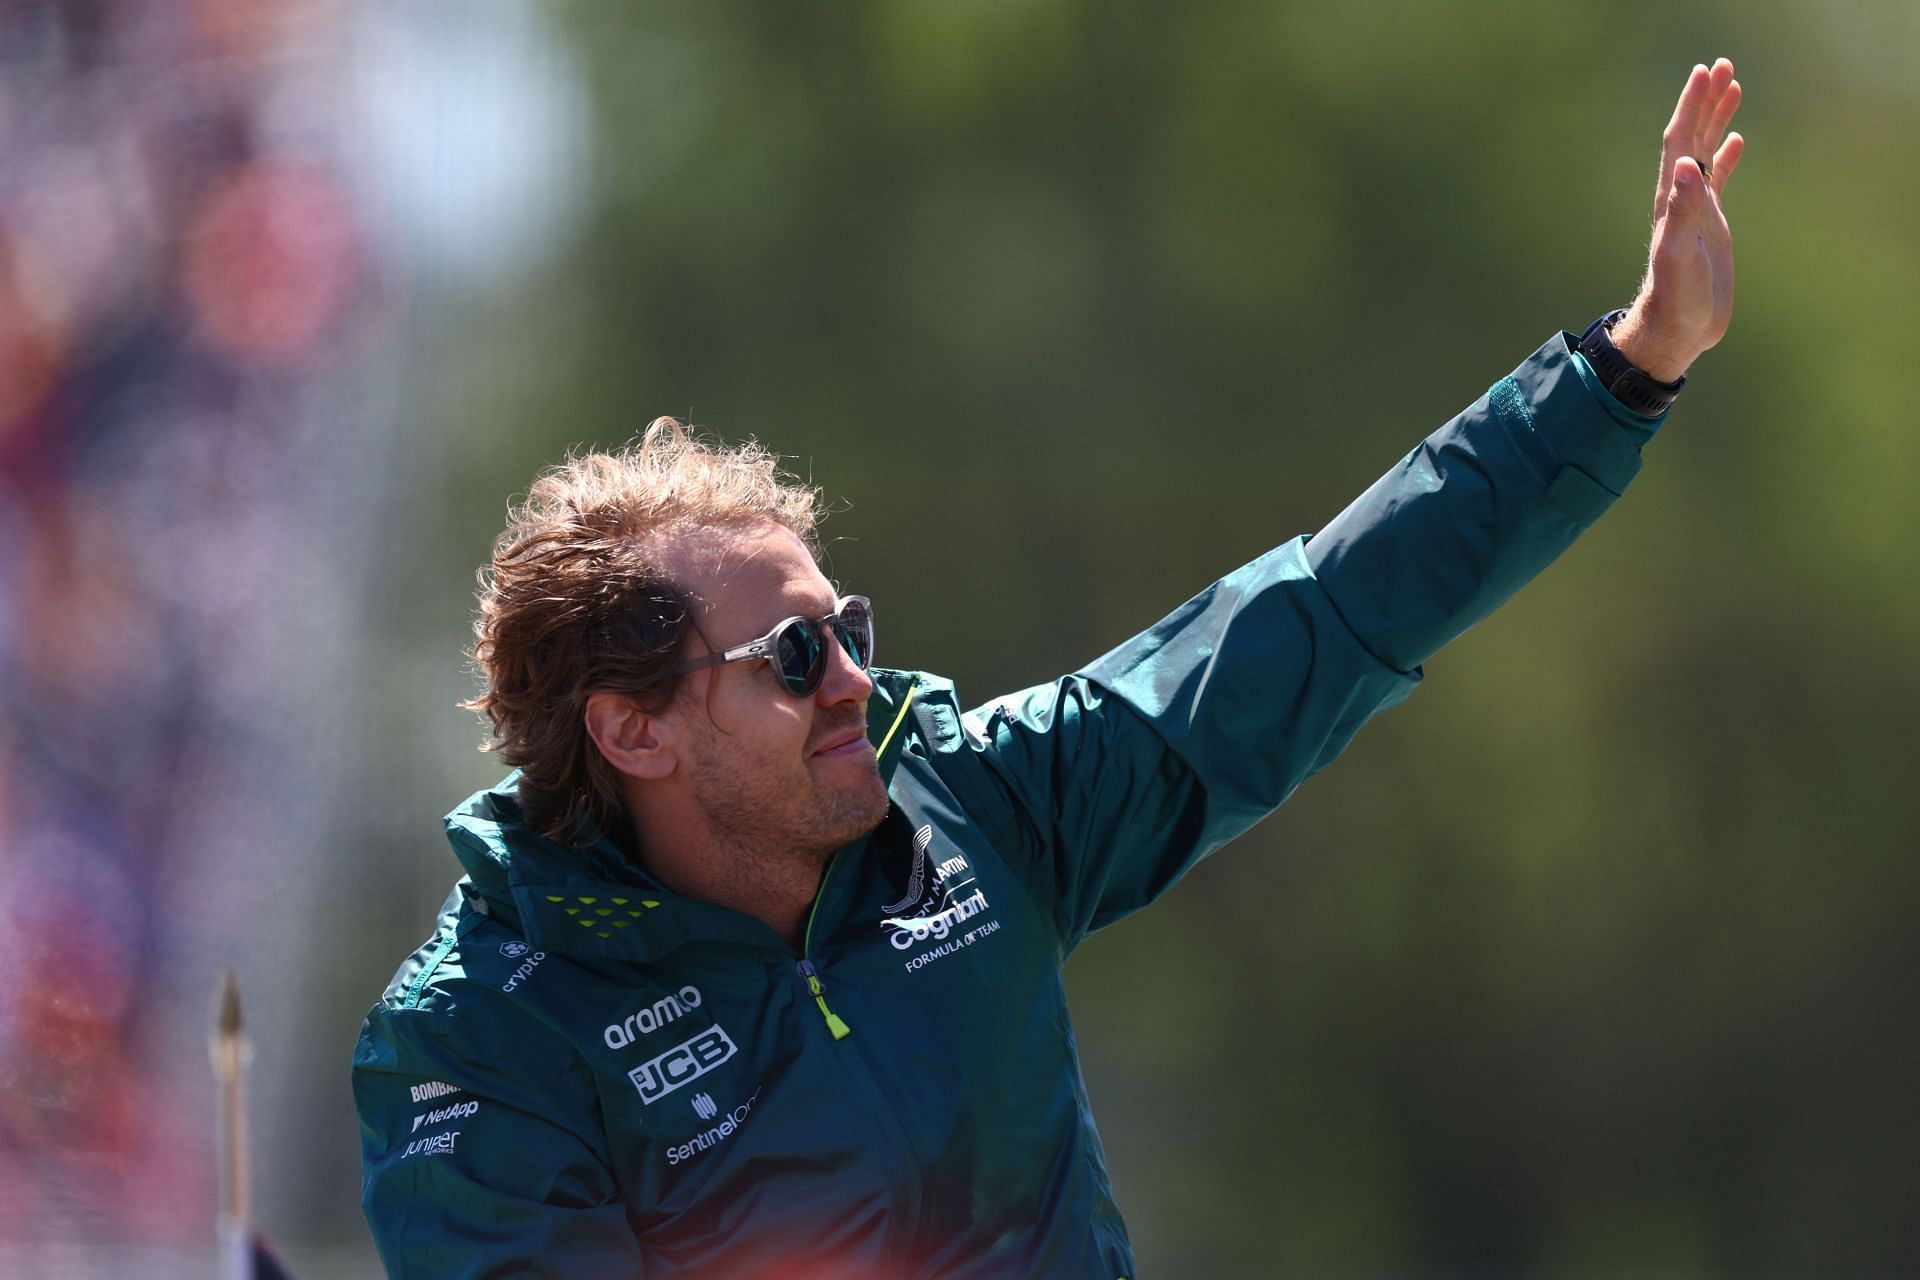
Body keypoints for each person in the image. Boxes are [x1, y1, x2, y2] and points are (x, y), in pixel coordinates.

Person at [353, 59, 1746, 1279]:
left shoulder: (980, 805)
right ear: (632, 731)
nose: (849, 680)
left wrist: (1633, 364)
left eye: (850, 631)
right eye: (791, 657)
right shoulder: (480, 1038)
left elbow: (1325, 614)